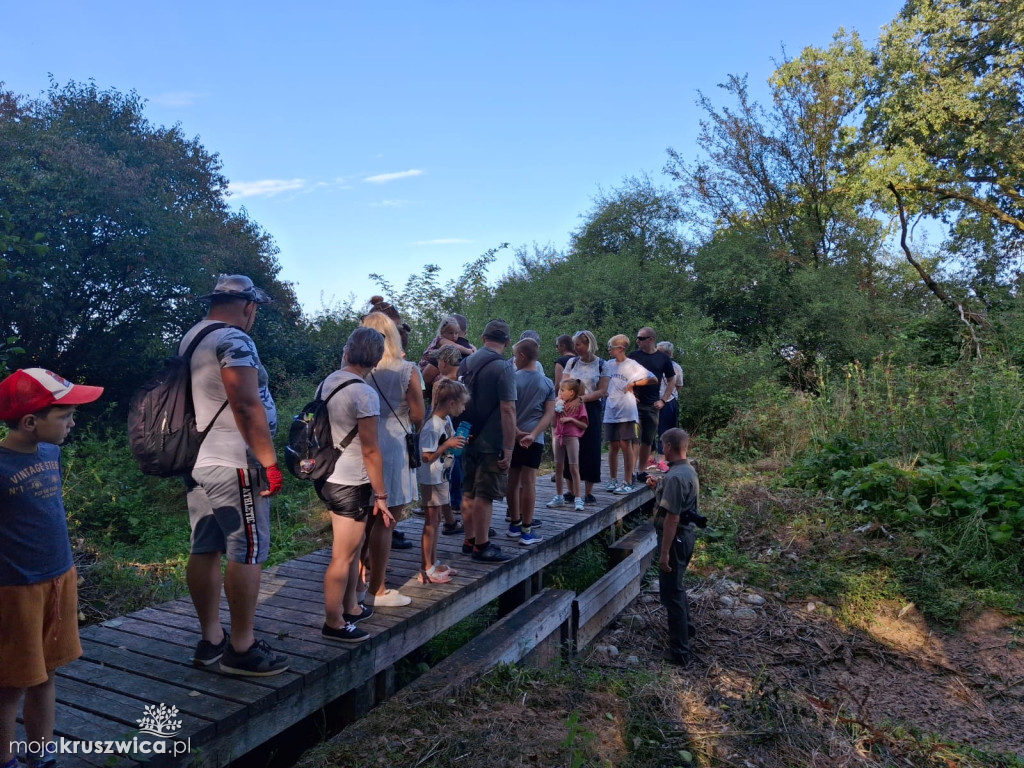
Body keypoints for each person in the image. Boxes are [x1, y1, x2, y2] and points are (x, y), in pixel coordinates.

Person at [182, 274, 288, 676]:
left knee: (204, 547)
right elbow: (245, 405)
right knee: (247, 549)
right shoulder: (235, 340)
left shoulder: (194, 335)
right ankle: (242, 649)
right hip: (235, 462)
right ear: (249, 307)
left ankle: (211, 640)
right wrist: (270, 463)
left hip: (199, 460)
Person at [0, 368, 103, 768]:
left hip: (60, 579)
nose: (72, 423)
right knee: (9, 685)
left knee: (47, 672)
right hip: (14, 590)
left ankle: (41, 754)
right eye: (64, 416)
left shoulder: (50, 453)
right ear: (30, 422)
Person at [317, 327, 393, 644]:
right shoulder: (364, 393)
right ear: (375, 360)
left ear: (348, 351)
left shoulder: (328, 382)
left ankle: (350, 606)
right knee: (343, 555)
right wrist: (382, 494)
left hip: (326, 476)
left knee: (351, 550)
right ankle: (334, 621)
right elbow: (371, 449)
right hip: (351, 481)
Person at [361, 311, 425, 607]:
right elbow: (418, 415)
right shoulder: (407, 369)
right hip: (394, 445)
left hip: (362, 443)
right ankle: (379, 588)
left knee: (363, 516)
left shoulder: (358, 369)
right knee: (387, 521)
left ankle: (362, 571)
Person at [458, 319, 517, 562]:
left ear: (483, 338)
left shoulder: (466, 362)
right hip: (491, 440)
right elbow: (508, 409)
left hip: (467, 434)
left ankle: (469, 539)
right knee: (485, 493)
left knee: (468, 490)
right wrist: (509, 447)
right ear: (507, 341)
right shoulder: (503, 367)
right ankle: (482, 546)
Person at [644, 428, 699, 667]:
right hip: (685, 537)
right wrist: (657, 488)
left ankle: (679, 651)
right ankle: (686, 628)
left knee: (671, 594)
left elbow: (672, 518)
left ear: (668, 446)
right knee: (677, 587)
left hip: (676, 539)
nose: (661, 449)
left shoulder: (676, 477)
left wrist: (664, 553)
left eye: (662, 445)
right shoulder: (686, 470)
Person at [417, 378, 469, 581]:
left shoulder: (446, 421)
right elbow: (426, 456)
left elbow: (449, 441)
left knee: (436, 520)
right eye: (463, 404)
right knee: (431, 522)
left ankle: (433, 562)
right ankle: (426, 569)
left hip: (442, 476)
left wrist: (458, 442)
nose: (464, 409)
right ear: (451, 403)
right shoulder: (432, 425)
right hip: (431, 478)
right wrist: (447, 445)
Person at [505, 338, 555, 546]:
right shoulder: (546, 382)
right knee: (529, 483)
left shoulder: (511, 379)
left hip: (512, 437)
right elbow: (549, 413)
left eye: (515, 355)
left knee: (512, 479)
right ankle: (527, 529)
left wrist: (516, 432)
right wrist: (533, 434)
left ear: (522, 356)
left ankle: (515, 524)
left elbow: (506, 409)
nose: (514, 359)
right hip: (534, 439)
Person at [560, 330, 609, 504]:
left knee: (590, 447)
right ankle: (571, 490)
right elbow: (563, 385)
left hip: (591, 408)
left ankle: (588, 491)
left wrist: (582, 399)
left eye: (579, 344)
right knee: (569, 446)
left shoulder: (602, 364)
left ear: (589, 344)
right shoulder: (572, 363)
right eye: (574, 345)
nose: (576, 348)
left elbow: (603, 391)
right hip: (570, 406)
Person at [603, 334, 655, 496]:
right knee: (613, 445)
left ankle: (628, 480)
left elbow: (652, 378)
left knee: (626, 444)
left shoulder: (631, 365)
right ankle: (613, 479)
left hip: (626, 410)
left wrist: (633, 383)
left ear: (620, 348)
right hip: (611, 409)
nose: (609, 350)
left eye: (611, 347)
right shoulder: (608, 364)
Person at [629, 327, 676, 476]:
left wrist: (663, 400)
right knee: (634, 439)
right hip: (634, 405)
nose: (638, 341)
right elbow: (624, 376)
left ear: (651, 339)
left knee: (647, 440)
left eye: (641, 338)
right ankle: (629, 473)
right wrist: (630, 393)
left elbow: (671, 380)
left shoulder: (663, 358)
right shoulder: (634, 356)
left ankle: (641, 470)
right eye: (637, 338)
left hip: (652, 405)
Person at [546, 378, 589, 512]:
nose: (560, 392)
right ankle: (559, 496)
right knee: (558, 467)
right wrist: (554, 410)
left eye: (562, 390)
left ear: (571, 392)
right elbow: (553, 423)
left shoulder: (579, 406)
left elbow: (584, 425)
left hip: (572, 438)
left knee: (574, 468)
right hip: (559, 437)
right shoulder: (560, 404)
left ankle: (578, 498)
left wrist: (571, 419)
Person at [419, 315, 475, 392]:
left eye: (456, 333)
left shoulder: (446, 351)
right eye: (451, 333)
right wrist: (471, 351)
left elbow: (426, 377)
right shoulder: (442, 342)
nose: (454, 336)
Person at [653, 341, 684, 468]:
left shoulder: (676, 367)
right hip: (651, 401)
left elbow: (678, 386)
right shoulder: (652, 364)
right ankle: (650, 458)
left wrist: (666, 398)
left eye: (659, 351)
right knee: (648, 431)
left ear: (668, 354)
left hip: (669, 401)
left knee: (666, 431)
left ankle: (662, 459)